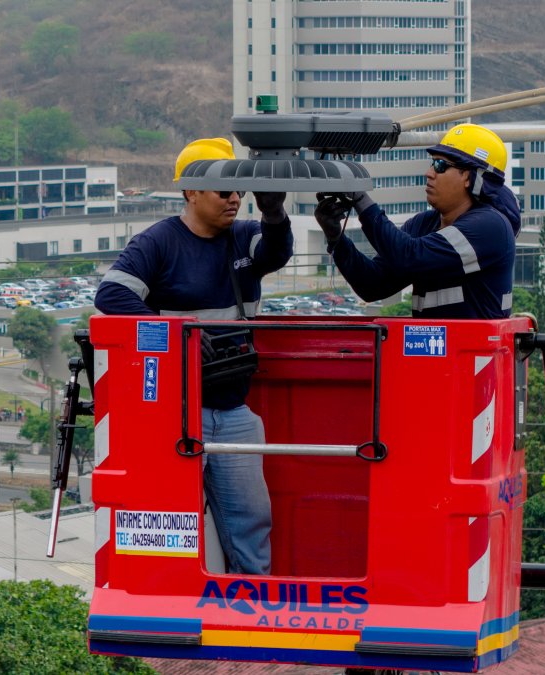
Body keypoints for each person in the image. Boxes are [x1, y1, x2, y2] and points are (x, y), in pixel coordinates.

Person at [95, 137, 293, 575]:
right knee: (173, 519)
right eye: (225, 192)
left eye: (239, 192)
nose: (235, 200)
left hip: (234, 409)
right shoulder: (159, 243)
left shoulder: (245, 238)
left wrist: (275, 213)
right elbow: (111, 295)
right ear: (191, 192)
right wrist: (176, 333)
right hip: (177, 410)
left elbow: (275, 253)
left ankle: (252, 609)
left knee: (250, 518)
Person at [315, 123, 522, 319]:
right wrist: (336, 237)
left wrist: (361, 200)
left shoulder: (490, 227)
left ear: (470, 177)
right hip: (431, 353)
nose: (429, 173)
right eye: (432, 163)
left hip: (473, 353)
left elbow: (410, 256)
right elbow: (373, 285)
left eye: (441, 165)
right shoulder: (423, 225)